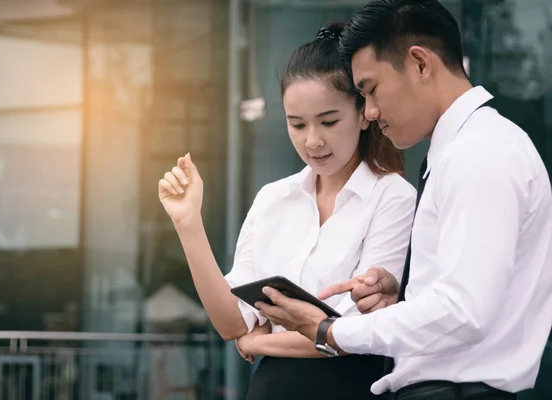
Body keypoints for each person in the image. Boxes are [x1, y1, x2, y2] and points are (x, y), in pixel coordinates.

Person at [255, 1, 552, 400]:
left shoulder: (481, 152)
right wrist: (405, 295)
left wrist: (330, 330)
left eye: (371, 89)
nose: (372, 112)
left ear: (420, 64)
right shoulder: (464, 150)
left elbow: (463, 312)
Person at [158, 22, 416, 400]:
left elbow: (358, 333)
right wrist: (188, 223)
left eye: (329, 121)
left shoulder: (392, 196)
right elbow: (231, 322)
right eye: (297, 125)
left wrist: (258, 344)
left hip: (350, 389)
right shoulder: (272, 200)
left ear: (364, 114)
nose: (313, 141)